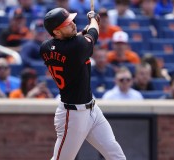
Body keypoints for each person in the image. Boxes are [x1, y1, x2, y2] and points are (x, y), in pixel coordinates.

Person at [40, 7, 126, 160]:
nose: (73, 24)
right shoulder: (77, 46)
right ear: (57, 32)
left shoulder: (45, 47)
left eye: (71, 21)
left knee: (116, 155)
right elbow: (93, 34)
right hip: (72, 115)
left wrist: (83, 30)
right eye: (67, 24)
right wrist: (93, 19)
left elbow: (71, 41)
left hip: (92, 109)